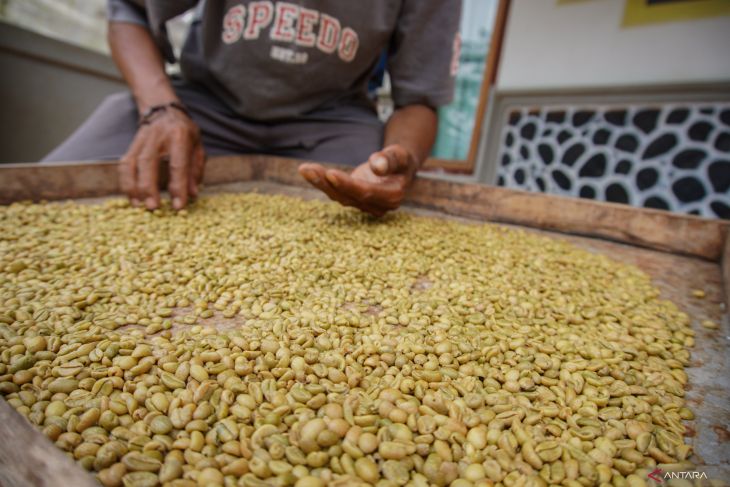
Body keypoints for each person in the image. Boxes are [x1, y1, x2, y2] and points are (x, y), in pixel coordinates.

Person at [44, 1, 462, 216]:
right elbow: (129, 11)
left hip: (332, 123)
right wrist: (160, 109)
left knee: (376, 212)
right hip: (200, 107)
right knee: (49, 192)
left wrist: (399, 161)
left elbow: (419, 99)